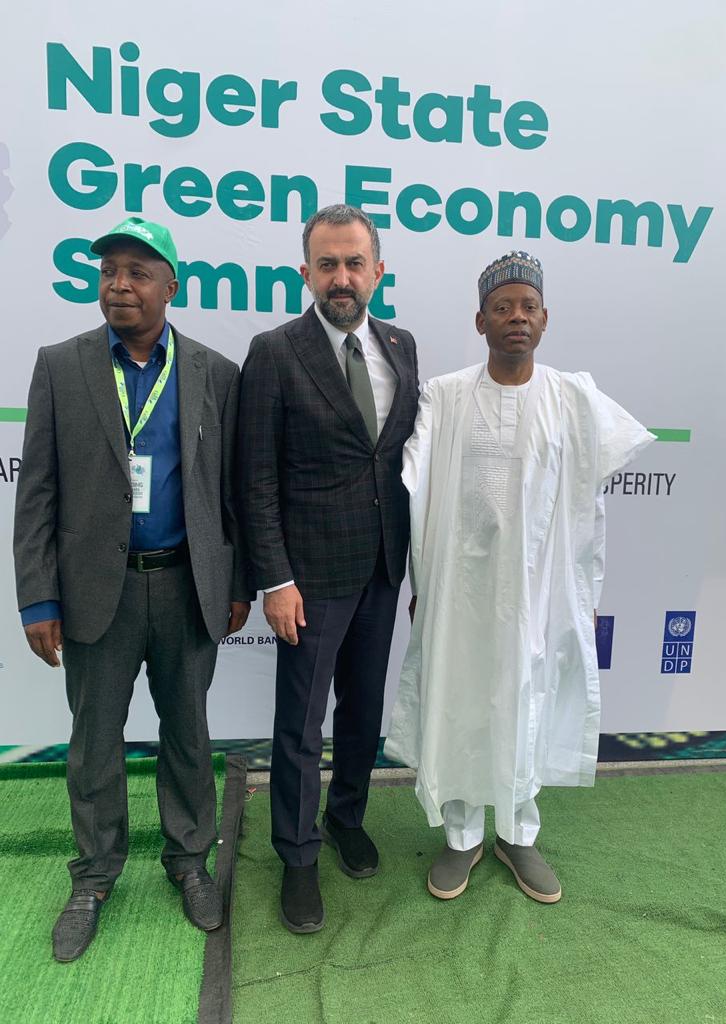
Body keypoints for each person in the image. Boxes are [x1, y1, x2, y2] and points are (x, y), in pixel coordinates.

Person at [13, 217, 250, 961]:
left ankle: (189, 862)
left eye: (138, 273)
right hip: (95, 592)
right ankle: (93, 877)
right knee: (93, 743)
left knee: (189, 735)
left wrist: (237, 584)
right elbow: (37, 490)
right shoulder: (61, 366)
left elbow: (232, 492)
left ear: (170, 287)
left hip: (185, 587)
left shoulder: (216, 373)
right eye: (109, 271)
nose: (119, 285)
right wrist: (38, 597)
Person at [385, 251, 654, 903]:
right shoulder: (445, 396)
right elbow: (418, 492)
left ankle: (518, 834)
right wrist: (422, 583)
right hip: (460, 590)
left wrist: (583, 591)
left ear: (545, 319)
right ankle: (461, 837)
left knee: (526, 703)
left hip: (539, 591)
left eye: (527, 307)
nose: (516, 317)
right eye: (502, 307)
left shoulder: (572, 398)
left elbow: (590, 498)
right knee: (460, 700)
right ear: (480, 321)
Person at [238, 204, 419, 932]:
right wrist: (276, 580)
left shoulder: (402, 345)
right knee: (301, 725)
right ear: (306, 273)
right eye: (327, 264)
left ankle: (346, 816)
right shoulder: (274, 351)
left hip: (383, 568)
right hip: (309, 580)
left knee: (364, 711)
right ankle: (297, 853)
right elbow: (255, 477)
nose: (341, 278)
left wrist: (417, 570)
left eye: (354, 263)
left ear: (378, 271)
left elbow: (401, 461)